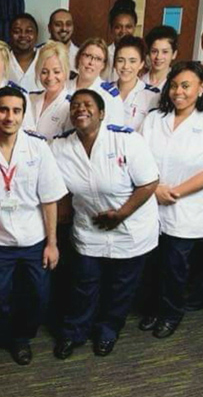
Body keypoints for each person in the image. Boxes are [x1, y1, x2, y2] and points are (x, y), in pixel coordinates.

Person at [51, 89, 159, 359]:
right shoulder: (60, 146)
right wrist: (63, 206)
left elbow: (149, 182)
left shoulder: (126, 140)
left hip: (130, 227)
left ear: (101, 113)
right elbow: (54, 185)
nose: (80, 109)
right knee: (84, 283)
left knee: (121, 286)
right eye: (75, 105)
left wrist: (122, 213)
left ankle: (108, 331)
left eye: (88, 105)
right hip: (89, 227)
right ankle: (73, 333)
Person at [0, 86, 67, 366]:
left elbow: (49, 199)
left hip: (34, 240)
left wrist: (52, 243)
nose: (9, 117)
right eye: (3, 110)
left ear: (24, 115)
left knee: (36, 296)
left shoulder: (38, 147)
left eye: (16, 111)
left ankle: (21, 339)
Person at [138, 61, 203, 338]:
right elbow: (138, 160)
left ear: (201, 88)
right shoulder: (154, 119)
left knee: (175, 266)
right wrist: (155, 190)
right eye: (174, 85)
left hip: (185, 207)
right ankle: (152, 309)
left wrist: (174, 192)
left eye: (186, 85)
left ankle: (170, 313)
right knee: (151, 263)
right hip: (151, 202)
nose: (178, 91)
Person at [67, 38, 124, 125]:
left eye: (98, 59)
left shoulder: (110, 96)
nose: (91, 62)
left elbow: (113, 133)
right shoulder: (63, 86)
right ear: (79, 58)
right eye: (87, 56)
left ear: (103, 65)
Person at [112, 36, 161, 129]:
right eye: (120, 60)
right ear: (114, 63)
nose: (126, 66)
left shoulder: (153, 95)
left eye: (132, 61)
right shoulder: (104, 91)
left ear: (141, 64)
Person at [27, 41, 73, 138]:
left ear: (66, 71)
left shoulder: (70, 106)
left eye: (56, 72)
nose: (50, 77)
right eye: (44, 72)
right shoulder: (30, 98)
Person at [104, 0, 138, 81]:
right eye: (118, 27)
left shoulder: (141, 55)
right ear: (111, 29)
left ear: (134, 28)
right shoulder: (104, 54)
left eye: (128, 27)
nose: (123, 31)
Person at [8, 12, 42, 92]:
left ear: (36, 35)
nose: (23, 35)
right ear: (9, 34)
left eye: (29, 31)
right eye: (17, 31)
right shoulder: (1, 60)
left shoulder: (45, 60)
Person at [142, 25, 179, 90]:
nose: (158, 57)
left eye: (165, 52)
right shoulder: (140, 83)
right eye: (154, 51)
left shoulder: (177, 83)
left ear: (174, 54)